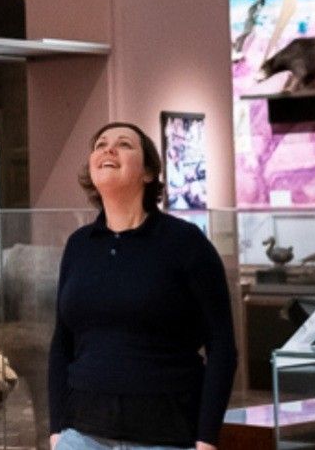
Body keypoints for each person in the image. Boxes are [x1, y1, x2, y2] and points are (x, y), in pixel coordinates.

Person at [48, 122, 237, 450]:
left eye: (124, 144)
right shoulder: (79, 245)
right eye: (100, 144)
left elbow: (221, 344)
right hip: (81, 435)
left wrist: (207, 437)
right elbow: (62, 342)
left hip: (165, 436)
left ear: (148, 172)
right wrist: (57, 430)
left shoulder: (185, 242)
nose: (108, 149)